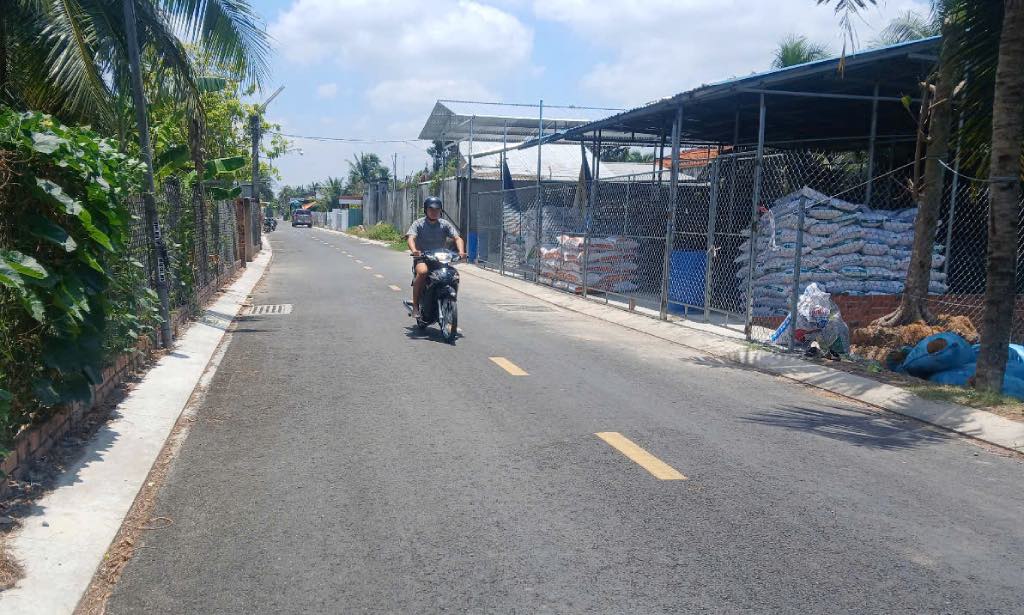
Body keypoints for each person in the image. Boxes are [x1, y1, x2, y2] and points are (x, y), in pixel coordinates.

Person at [407, 196, 466, 318]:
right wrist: (415, 250)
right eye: (431, 209)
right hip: (422, 257)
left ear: (440, 211)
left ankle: (448, 298)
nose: (434, 212)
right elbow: (411, 238)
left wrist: (461, 252)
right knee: (422, 272)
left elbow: (457, 238)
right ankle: (415, 307)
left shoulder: (444, 224)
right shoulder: (418, 223)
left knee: (453, 274)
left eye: (437, 210)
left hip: (439, 258)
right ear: (426, 210)